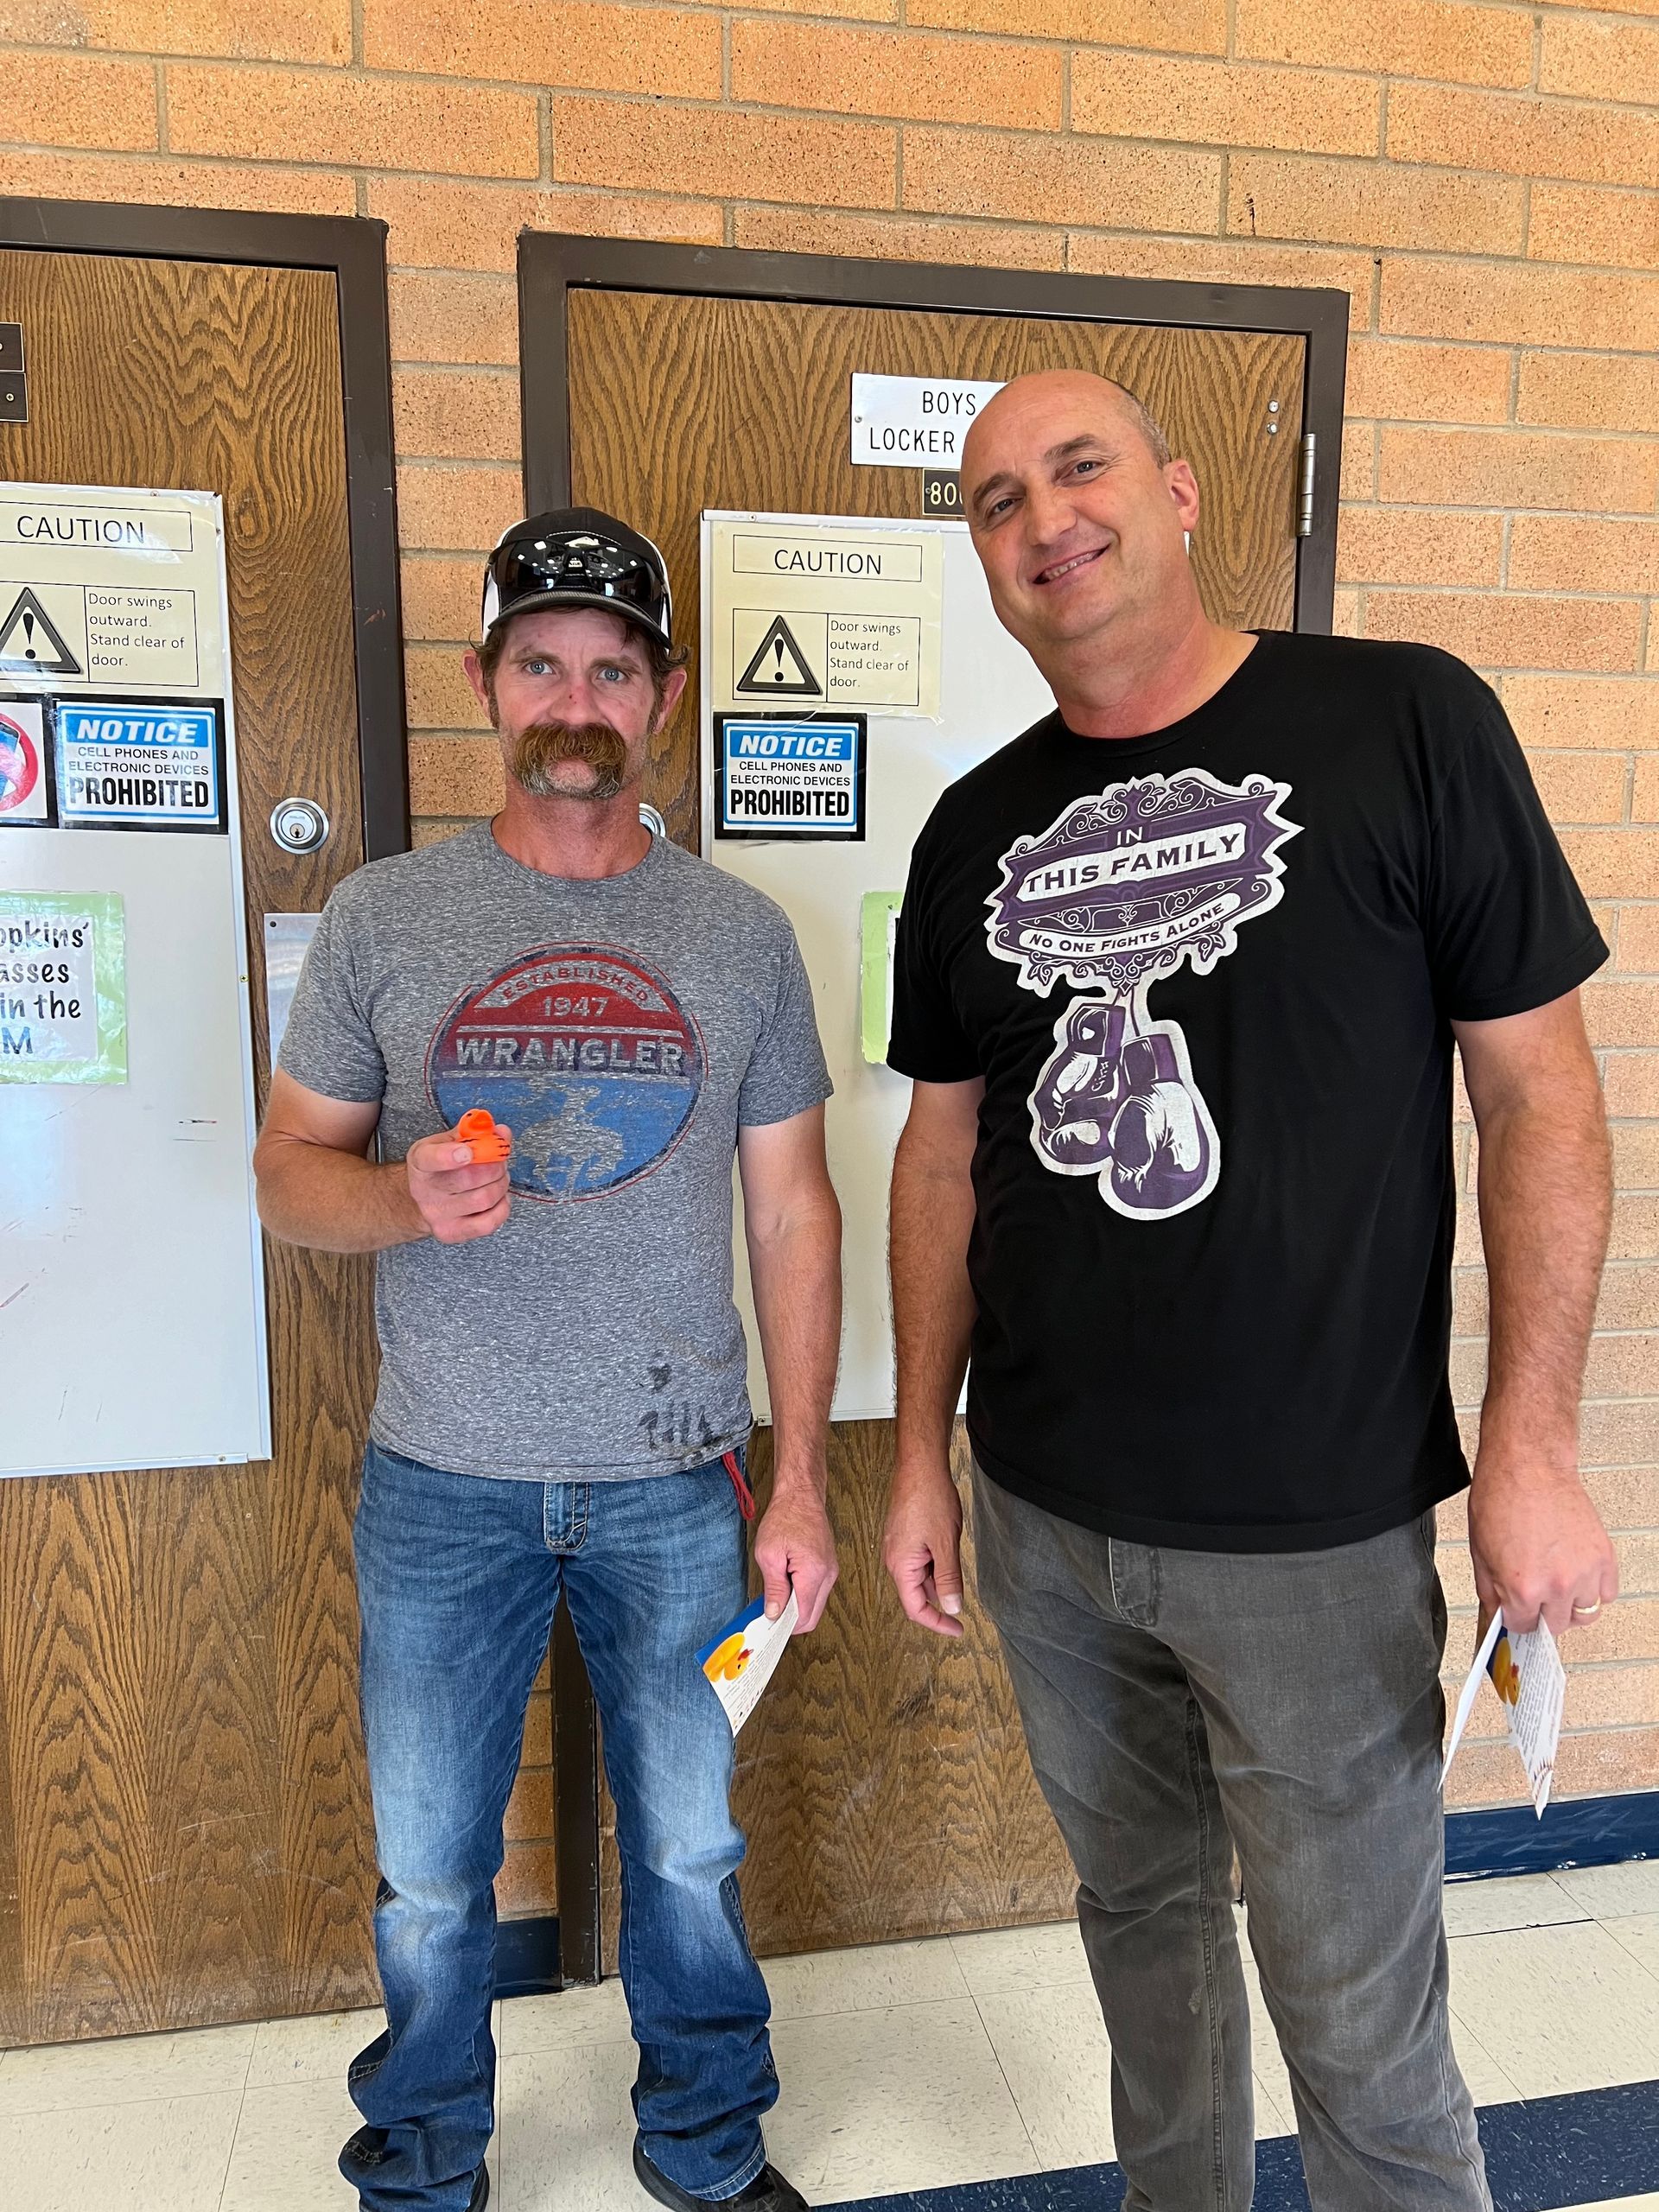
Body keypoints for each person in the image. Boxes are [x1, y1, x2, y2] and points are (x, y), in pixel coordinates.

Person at [880, 371, 1617, 2211]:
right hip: (1045, 1515)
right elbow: (937, 1152)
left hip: (1315, 1527)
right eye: (992, 501)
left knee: (1360, 2020)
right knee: (1143, 1942)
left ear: (1183, 493)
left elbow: (1540, 1089)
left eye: (1079, 466)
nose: (1043, 518)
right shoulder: (972, 830)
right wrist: (914, 1451)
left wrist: (1530, 1442)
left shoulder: (1403, 719)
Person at [254, 508, 840, 2212]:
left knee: (686, 1848)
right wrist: (401, 1194)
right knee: (433, 1871)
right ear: (485, 684)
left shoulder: (739, 938)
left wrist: (800, 1471)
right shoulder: (384, 920)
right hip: (443, 1478)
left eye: (610, 667)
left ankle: (707, 2147)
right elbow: (291, 1178)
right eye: (539, 665)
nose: (574, 698)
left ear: (657, 694)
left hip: (680, 1478)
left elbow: (795, 1214)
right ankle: (427, 2157)